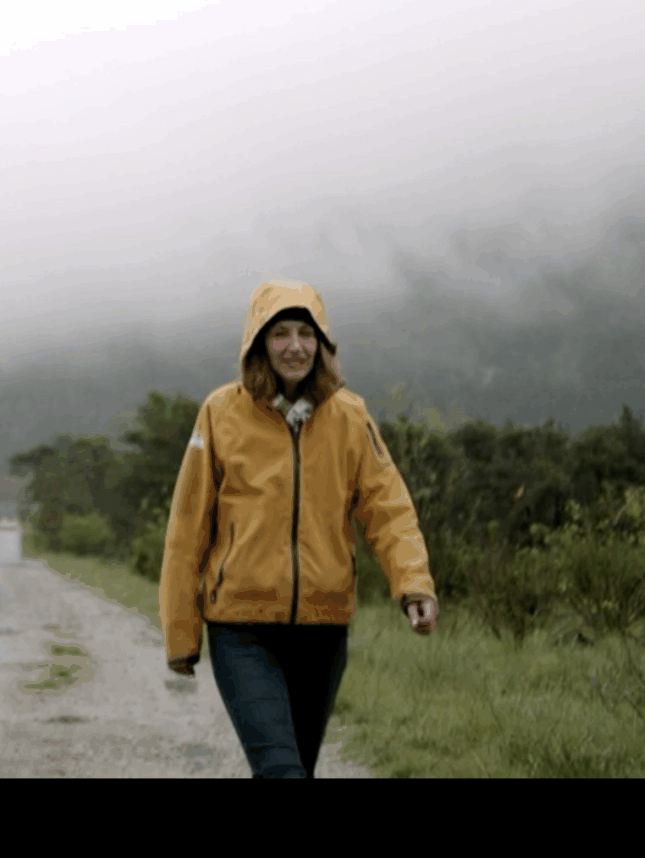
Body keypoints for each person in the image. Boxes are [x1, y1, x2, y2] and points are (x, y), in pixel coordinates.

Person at [159, 279, 438, 778]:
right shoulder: (220, 413)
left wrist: (413, 584)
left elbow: (388, 508)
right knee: (281, 770)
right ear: (258, 343)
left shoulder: (350, 416)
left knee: (296, 770)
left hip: (322, 629)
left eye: (307, 334)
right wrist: (181, 632)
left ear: (323, 344)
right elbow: (188, 527)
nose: (295, 346)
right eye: (280, 333)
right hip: (241, 627)